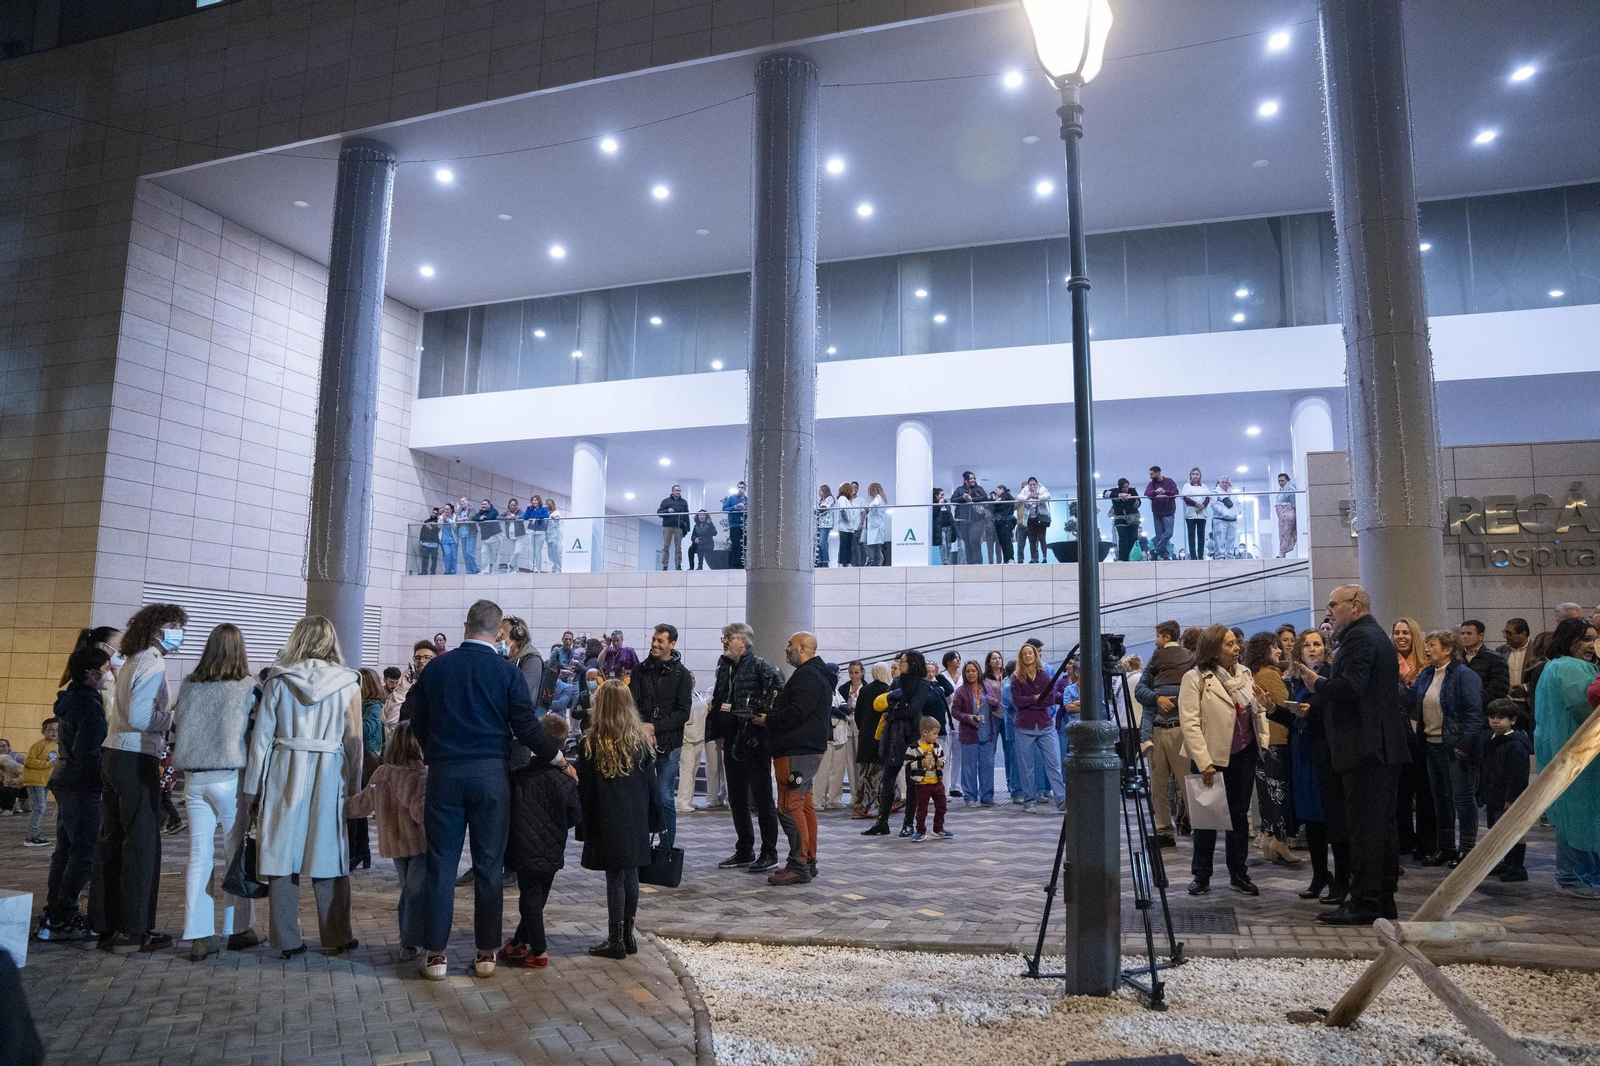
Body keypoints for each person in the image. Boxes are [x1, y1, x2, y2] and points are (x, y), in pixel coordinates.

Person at [406, 600, 572, 979]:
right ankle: (485, 954)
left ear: (465, 625)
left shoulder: (437, 668)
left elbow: (416, 718)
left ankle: (435, 955)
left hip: (445, 774)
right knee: (489, 867)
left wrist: (434, 752)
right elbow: (529, 729)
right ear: (499, 632)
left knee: (441, 865)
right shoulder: (507, 673)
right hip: (491, 776)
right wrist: (559, 759)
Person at [241, 616, 363, 960]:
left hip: (284, 768)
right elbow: (353, 743)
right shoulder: (348, 682)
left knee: (282, 853)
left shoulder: (279, 680)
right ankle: (336, 936)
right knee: (329, 855)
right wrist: (353, 789)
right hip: (330, 772)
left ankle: (286, 939)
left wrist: (254, 790)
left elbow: (261, 740)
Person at [1290, 584, 1408, 925]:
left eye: (1333, 605)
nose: (1329, 612)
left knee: (1366, 828)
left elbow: (1352, 687)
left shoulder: (1359, 638)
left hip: (1365, 747)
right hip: (1379, 746)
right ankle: (1382, 899)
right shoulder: (1373, 634)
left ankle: (1366, 902)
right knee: (1382, 826)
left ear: (1354, 605)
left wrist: (1318, 684)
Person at [169, 624, 260, 960]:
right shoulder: (248, 687)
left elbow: (177, 724)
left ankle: (198, 935)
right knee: (235, 856)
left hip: (194, 779)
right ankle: (239, 930)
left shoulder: (190, 685)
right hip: (230, 777)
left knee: (199, 856)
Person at [101, 602, 187, 953]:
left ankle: (108, 924)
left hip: (114, 753)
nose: (178, 633)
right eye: (174, 625)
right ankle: (135, 930)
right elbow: (140, 716)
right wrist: (173, 719)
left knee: (114, 842)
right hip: (136, 756)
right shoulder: (152, 661)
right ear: (156, 628)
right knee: (142, 845)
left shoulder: (133, 659)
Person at [1178, 625, 1269, 897]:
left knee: (1239, 817)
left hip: (1244, 752)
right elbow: (1190, 724)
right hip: (1211, 758)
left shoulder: (1244, 673)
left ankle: (1238, 873)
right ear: (1214, 649)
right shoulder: (1194, 678)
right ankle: (1201, 875)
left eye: (1236, 643)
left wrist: (1266, 706)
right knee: (1206, 818)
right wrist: (1204, 761)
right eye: (1229, 645)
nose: (1236, 648)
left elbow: (1256, 709)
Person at [576, 682, 663, 959]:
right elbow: (652, 787)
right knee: (631, 875)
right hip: (635, 818)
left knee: (615, 877)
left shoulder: (592, 743)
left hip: (607, 819)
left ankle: (615, 939)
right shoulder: (641, 742)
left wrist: (582, 824)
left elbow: (585, 790)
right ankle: (628, 936)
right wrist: (655, 821)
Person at [37, 646, 111, 942]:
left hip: (65, 780)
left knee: (65, 851)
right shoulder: (90, 703)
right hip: (82, 784)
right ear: (92, 673)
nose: (111, 673)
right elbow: (88, 749)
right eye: (107, 668)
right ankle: (63, 914)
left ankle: (53, 913)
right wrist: (103, 775)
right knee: (83, 852)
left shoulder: (69, 699)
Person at [502, 714, 582, 969]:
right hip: (552, 847)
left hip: (523, 848)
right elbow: (575, 815)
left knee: (529, 901)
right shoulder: (566, 780)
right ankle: (518, 942)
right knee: (538, 898)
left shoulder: (518, 777)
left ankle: (539, 951)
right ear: (562, 743)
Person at [1402, 629, 1485, 868]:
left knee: (1462, 798)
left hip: (1456, 749)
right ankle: (1446, 847)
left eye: (1432, 645)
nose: (1427, 649)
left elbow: (1473, 715)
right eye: (1427, 645)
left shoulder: (1464, 676)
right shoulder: (1428, 673)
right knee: (1440, 800)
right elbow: (1414, 704)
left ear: (1448, 649)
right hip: (1431, 746)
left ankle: (1467, 849)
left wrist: (1463, 745)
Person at [347, 722, 429, 961]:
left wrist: (338, 806)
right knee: (413, 893)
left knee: (408, 891)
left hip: (395, 845)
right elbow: (420, 813)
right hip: (420, 844)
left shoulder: (382, 774)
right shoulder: (421, 774)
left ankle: (410, 939)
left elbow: (362, 805)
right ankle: (412, 941)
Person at [755, 633, 832, 884]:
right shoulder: (815, 673)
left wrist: (768, 720)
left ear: (801, 648)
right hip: (805, 749)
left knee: (789, 806)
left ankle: (798, 865)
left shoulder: (808, 674)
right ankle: (807, 860)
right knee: (804, 804)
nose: (787, 649)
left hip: (797, 750)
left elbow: (797, 712)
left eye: (789, 645)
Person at [1533, 616, 1600, 897]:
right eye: (1585, 638)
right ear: (1567, 639)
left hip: (1566, 752)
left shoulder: (1555, 666)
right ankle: (1576, 877)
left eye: (1593, 638)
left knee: (1576, 812)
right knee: (1580, 814)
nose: (1591, 645)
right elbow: (1586, 708)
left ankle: (1578, 875)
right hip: (1578, 758)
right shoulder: (1569, 667)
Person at [708, 623, 783, 871]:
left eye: (728, 637)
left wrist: (764, 723)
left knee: (762, 801)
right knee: (737, 799)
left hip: (755, 741)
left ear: (743, 640)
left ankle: (769, 852)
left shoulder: (762, 666)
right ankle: (744, 850)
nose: (724, 642)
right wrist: (717, 732)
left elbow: (779, 699)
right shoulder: (725, 668)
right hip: (731, 742)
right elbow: (719, 702)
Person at [1286, 629, 1346, 903]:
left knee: (1332, 820)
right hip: (1303, 753)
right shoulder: (1297, 680)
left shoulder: (1331, 676)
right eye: (1307, 645)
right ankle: (1320, 875)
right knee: (1311, 820)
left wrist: (1313, 709)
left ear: (1326, 649)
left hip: (1326, 753)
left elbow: (1330, 708)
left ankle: (1342, 879)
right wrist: (1273, 709)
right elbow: (1295, 718)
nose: (1312, 649)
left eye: (1317, 644)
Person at [630, 624, 693, 852]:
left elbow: (683, 713)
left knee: (665, 797)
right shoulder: (640, 670)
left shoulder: (682, 674)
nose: (655, 644)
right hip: (640, 740)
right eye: (654, 639)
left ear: (671, 644)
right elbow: (632, 705)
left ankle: (666, 849)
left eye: (661, 641)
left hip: (669, 742)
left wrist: (655, 728)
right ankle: (640, 846)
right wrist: (642, 729)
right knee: (639, 795)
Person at [1136, 620, 1195, 847]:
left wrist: (1170, 696)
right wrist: (1157, 698)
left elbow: (1195, 689)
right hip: (1158, 730)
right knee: (1157, 786)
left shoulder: (1188, 659)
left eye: (1158, 636)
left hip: (1181, 729)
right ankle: (1163, 831)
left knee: (1188, 783)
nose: (1156, 641)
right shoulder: (1155, 660)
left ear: (1166, 636)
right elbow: (1141, 689)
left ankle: (1199, 828)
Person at [1244, 632, 1299, 866]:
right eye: (1275, 647)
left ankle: (1268, 838)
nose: (1279, 651)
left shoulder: (1253, 673)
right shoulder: (1269, 675)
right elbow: (1286, 705)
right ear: (1264, 650)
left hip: (1261, 743)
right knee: (1279, 793)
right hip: (1277, 740)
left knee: (1266, 794)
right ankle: (1280, 841)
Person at [1392, 617, 1435, 861]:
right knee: (1401, 793)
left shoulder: (1426, 665)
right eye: (1397, 632)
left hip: (1424, 734)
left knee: (1425, 791)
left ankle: (1427, 842)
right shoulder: (1388, 663)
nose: (1401, 637)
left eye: (1406, 632)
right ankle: (1404, 839)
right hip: (1399, 736)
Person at [1478, 699, 1531, 883]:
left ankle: (1517, 866)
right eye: (1492, 717)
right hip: (1493, 793)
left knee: (1514, 830)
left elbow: (1518, 774)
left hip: (1508, 795)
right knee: (1497, 829)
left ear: (1513, 720)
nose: (1495, 721)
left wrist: (1512, 797)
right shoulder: (1490, 740)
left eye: (1501, 718)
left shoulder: (1516, 744)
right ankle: (1507, 862)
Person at [1010, 642, 1064, 812]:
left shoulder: (1044, 675)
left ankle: (1061, 799)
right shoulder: (1016, 677)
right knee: (1026, 766)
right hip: (1024, 726)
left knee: (1053, 763)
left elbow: (1050, 699)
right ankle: (1029, 800)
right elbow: (1018, 701)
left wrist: (1032, 701)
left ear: (1036, 655)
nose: (1028, 656)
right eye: (1024, 653)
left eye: (1030, 653)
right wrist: (1036, 698)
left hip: (1045, 724)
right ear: (1021, 657)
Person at [348, 668, 386, 869]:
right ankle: (361, 851)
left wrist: (349, 720)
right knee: (358, 809)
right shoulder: (364, 704)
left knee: (356, 808)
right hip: (361, 761)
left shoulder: (372, 705)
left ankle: (356, 851)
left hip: (366, 761)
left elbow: (369, 726)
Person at [950, 660, 999, 806]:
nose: (970, 673)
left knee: (988, 766)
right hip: (969, 734)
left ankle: (987, 797)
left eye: (973, 671)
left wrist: (995, 703)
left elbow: (996, 707)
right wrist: (967, 717)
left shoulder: (987, 688)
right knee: (969, 767)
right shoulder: (961, 691)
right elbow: (955, 711)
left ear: (978, 672)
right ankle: (970, 797)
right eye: (967, 671)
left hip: (987, 733)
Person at [676, 676, 726, 812]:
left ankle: (688, 800)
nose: (692, 680)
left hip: (698, 736)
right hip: (688, 738)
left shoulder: (697, 694)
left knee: (693, 770)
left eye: (693, 678)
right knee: (687, 770)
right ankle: (682, 801)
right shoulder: (681, 696)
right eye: (689, 678)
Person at [816, 662, 859, 812]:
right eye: (839, 673)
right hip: (828, 735)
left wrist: (842, 711)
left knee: (838, 769)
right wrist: (843, 714)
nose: (840, 676)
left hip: (840, 735)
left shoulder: (836, 690)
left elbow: (844, 706)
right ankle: (817, 799)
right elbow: (830, 708)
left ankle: (834, 799)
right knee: (823, 771)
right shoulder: (823, 688)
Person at [851, 663, 890, 818]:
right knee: (878, 774)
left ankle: (859, 806)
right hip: (880, 738)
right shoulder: (888, 690)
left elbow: (858, 716)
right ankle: (877, 806)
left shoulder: (865, 690)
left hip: (865, 738)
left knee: (864, 772)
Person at [906, 716, 952, 841]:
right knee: (922, 809)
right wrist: (921, 764)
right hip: (922, 784)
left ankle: (938, 828)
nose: (937, 736)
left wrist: (941, 762)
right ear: (924, 732)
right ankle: (920, 831)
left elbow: (943, 757)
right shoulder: (913, 748)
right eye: (935, 733)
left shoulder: (937, 746)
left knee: (942, 806)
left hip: (937, 782)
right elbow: (907, 764)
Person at [1459, 620, 1510, 715]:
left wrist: (1473, 700)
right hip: (1461, 712)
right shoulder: (1456, 658)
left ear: (1480, 636)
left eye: (1469, 633)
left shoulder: (1495, 658)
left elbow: (1499, 689)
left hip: (1486, 712)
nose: (1465, 637)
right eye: (1462, 633)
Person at [21, 719, 58, 848]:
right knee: (39, 808)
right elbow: (29, 761)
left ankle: (34, 835)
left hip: (45, 781)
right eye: (51, 730)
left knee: (39, 807)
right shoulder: (39, 745)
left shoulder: (56, 745)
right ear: (43, 731)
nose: (54, 733)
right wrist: (49, 764)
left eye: (57, 730)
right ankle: (32, 836)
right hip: (35, 780)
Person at [937, 652, 963, 796]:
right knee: (945, 754)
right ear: (947, 661)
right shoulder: (941, 677)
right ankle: (944, 786)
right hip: (946, 718)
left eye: (959, 658)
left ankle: (955, 785)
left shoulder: (963, 677)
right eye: (955, 658)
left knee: (958, 755)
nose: (958, 660)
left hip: (960, 719)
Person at [951, 472, 989, 565]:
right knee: (967, 542)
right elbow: (953, 499)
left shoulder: (979, 489)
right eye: (970, 478)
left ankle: (977, 562)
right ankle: (970, 563)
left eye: (973, 478)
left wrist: (972, 499)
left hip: (977, 520)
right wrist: (963, 498)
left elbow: (985, 497)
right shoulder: (959, 489)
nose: (972, 480)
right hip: (963, 521)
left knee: (975, 540)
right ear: (965, 480)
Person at [1143, 466, 1180, 560]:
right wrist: (1155, 492)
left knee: (1169, 533)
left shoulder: (1169, 481)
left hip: (1168, 511)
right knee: (1159, 536)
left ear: (1158, 473)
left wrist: (1165, 491)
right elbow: (1147, 493)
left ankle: (1157, 550)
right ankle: (1164, 555)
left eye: (1152, 474)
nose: (1150, 476)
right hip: (1157, 513)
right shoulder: (1151, 484)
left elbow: (1175, 492)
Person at [1496, 617, 1534, 707]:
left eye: (1509, 633)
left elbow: (1543, 677)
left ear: (1523, 634)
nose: (1505, 636)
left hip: (1529, 704)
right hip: (1506, 704)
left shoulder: (1537, 650)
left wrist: (1526, 687)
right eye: (1505, 632)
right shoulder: (1500, 651)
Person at [1018, 477, 1051, 563]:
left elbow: (1048, 496)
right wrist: (1028, 497)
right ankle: (1033, 558)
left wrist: (1037, 497)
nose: (1032, 486)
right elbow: (1019, 497)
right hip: (1030, 518)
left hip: (1041, 517)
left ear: (1037, 484)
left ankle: (1044, 557)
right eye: (1030, 485)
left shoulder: (1042, 488)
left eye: (1034, 484)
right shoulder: (1025, 490)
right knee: (1032, 539)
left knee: (1041, 538)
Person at [1208, 476, 1243, 558]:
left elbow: (1238, 504)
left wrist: (1237, 512)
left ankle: (1229, 555)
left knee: (1231, 539)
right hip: (1220, 519)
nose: (1224, 484)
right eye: (1222, 482)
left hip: (1233, 520)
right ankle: (1219, 556)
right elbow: (1214, 505)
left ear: (1229, 483)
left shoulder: (1233, 494)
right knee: (1219, 539)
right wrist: (1223, 512)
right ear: (1219, 483)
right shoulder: (1215, 493)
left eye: (1226, 482)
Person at [1108, 478, 1143, 561]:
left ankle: (1132, 556)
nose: (1126, 489)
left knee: (1133, 538)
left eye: (1127, 487)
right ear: (1120, 487)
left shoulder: (1132, 491)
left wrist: (1129, 499)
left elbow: (1138, 503)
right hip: (1120, 519)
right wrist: (1119, 496)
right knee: (1123, 537)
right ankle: (1123, 558)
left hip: (1133, 519)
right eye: (1124, 487)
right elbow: (1105, 494)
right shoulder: (1114, 491)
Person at [1179, 467, 1209, 560]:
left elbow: (1208, 497)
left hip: (1202, 514)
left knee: (1201, 535)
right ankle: (1193, 556)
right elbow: (1186, 498)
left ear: (1200, 476)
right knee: (1191, 535)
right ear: (1190, 476)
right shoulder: (1186, 486)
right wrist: (1196, 504)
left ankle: (1200, 556)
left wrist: (1202, 506)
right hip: (1191, 514)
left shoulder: (1204, 486)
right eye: (1193, 474)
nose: (1195, 476)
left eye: (1197, 474)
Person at [657, 484, 690, 571]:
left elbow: (686, 515)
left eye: (679, 491)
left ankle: (678, 565)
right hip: (667, 525)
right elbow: (659, 513)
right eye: (677, 490)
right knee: (666, 546)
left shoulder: (684, 502)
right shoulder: (666, 501)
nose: (678, 492)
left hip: (679, 526)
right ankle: (665, 565)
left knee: (678, 547)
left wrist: (687, 528)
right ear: (672, 491)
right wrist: (667, 511)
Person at [722, 481, 749, 569]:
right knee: (736, 544)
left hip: (744, 525)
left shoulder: (747, 500)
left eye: (742, 488)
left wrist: (745, 507)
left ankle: (743, 563)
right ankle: (735, 564)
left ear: (745, 489)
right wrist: (734, 507)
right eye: (739, 487)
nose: (740, 489)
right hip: (734, 525)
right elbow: (724, 508)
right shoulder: (731, 498)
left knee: (744, 545)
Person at [832, 483, 860, 567]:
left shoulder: (848, 501)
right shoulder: (843, 498)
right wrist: (848, 521)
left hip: (850, 528)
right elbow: (842, 511)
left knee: (849, 546)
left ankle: (848, 562)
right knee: (844, 545)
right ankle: (841, 562)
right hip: (844, 527)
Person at [863, 482, 891, 566]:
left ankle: (871, 561)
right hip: (878, 524)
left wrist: (868, 508)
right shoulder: (883, 500)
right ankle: (875, 561)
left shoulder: (878, 498)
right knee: (876, 545)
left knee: (868, 544)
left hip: (874, 525)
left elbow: (875, 503)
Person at [989, 485, 1017, 564]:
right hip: (1001, 521)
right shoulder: (1003, 497)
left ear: (1002, 489)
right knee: (1003, 541)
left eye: (997, 490)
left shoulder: (1006, 494)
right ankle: (1006, 559)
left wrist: (992, 499)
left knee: (1006, 540)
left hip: (1007, 520)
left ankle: (1010, 558)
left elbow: (996, 503)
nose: (996, 492)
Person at [523, 495, 550, 574]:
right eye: (532, 500)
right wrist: (528, 508)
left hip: (540, 531)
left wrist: (536, 517)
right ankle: (532, 568)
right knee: (531, 550)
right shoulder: (530, 509)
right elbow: (525, 517)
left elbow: (546, 516)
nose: (534, 502)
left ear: (539, 501)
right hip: (531, 530)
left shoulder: (543, 509)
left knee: (538, 551)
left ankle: (538, 568)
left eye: (535, 500)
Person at [471, 499, 499, 573]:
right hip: (484, 536)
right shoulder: (481, 512)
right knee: (484, 554)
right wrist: (481, 518)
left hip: (494, 535)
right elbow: (474, 518)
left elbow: (490, 517)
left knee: (495, 555)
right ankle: (485, 570)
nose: (483, 506)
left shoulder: (494, 511)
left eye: (485, 504)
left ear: (489, 505)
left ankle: (495, 571)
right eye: (482, 504)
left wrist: (483, 517)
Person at [1274, 473, 1298, 556]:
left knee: (1285, 533)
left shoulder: (1290, 488)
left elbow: (1293, 502)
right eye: (1279, 481)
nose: (1280, 483)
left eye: (1282, 481)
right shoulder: (1282, 489)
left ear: (1287, 480)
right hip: (1282, 515)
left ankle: (1282, 552)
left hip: (1287, 514)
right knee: (1284, 533)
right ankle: (1282, 552)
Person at [931, 488, 956, 565]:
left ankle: (948, 560)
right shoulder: (933, 504)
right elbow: (934, 515)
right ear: (936, 496)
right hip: (940, 528)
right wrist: (939, 505)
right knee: (943, 544)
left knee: (949, 545)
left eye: (943, 495)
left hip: (949, 527)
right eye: (941, 495)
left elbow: (950, 515)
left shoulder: (946, 504)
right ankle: (945, 562)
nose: (943, 497)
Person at [815, 485, 835, 567]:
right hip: (819, 524)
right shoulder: (820, 501)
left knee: (822, 543)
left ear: (824, 491)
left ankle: (825, 561)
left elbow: (824, 509)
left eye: (820, 491)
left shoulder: (829, 499)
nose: (819, 493)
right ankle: (819, 560)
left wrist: (817, 509)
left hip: (825, 524)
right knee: (818, 544)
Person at [543, 499, 564, 574]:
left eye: (548, 504)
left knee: (557, 553)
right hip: (549, 536)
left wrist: (554, 518)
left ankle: (560, 569)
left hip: (556, 536)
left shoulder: (556, 512)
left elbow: (558, 517)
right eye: (546, 504)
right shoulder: (547, 514)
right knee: (551, 554)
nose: (547, 506)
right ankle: (554, 569)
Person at [418, 508, 441, 574]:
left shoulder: (438, 522)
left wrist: (433, 526)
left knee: (434, 559)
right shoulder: (426, 521)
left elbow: (437, 531)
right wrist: (421, 540)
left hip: (434, 542)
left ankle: (433, 571)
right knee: (425, 558)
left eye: (435, 513)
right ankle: (424, 570)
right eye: (433, 513)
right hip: (426, 542)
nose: (434, 514)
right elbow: (422, 530)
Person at [439, 503, 459, 575]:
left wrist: (448, 520)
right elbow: (438, 526)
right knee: (447, 554)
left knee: (454, 556)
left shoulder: (454, 517)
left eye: (448, 509)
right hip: (444, 539)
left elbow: (456, 527)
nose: (446, 511)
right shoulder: (442, 516)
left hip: (453, 539)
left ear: (451, 510)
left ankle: (453, 571)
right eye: (445, 509)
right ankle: (447, 570)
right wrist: (442, 521)